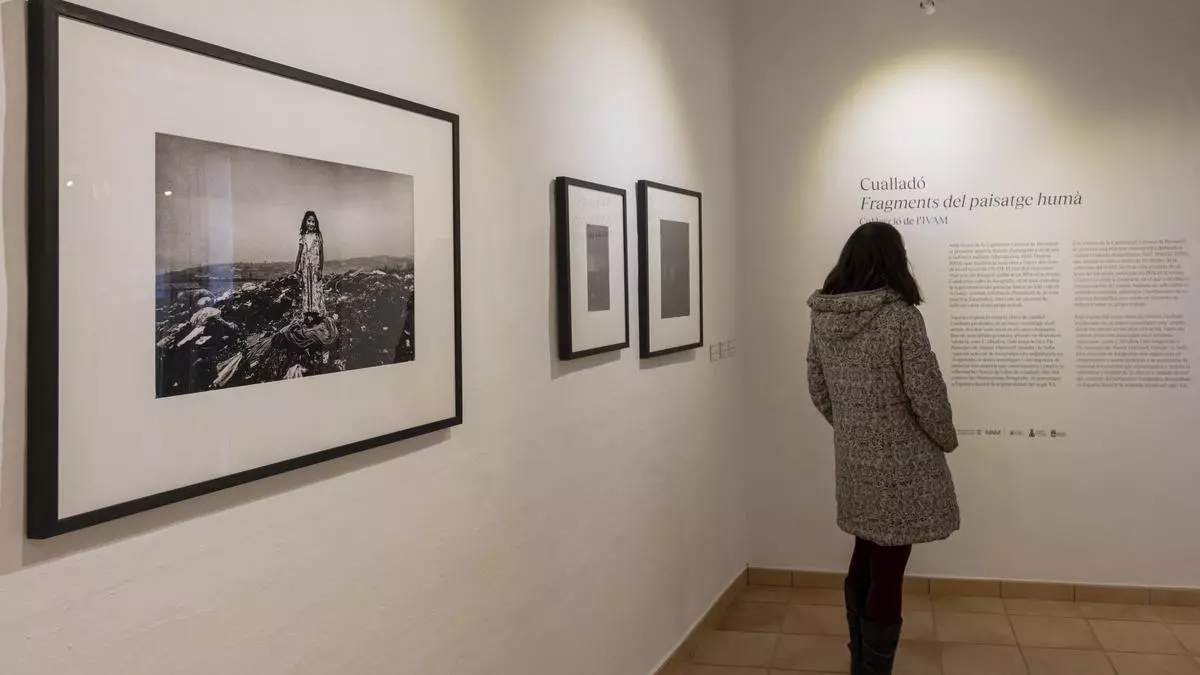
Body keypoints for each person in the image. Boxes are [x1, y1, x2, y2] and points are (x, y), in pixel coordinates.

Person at [806, 221, 959, 675]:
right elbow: (926, 392)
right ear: (895, 260)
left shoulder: (823, 316)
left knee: (865, 554)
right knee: (889, 569)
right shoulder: (901, 317)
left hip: (855, 462)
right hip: (902, 466)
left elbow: (818, 386)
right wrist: (946, 437)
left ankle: (861, 660)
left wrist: (853, 428)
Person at [294, 210, 326, 318]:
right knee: (306, 290)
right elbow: (299, 254)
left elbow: (321, 254)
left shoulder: (318, 237)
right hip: (305, 270)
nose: (311, 224)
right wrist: (296, 271)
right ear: (305, 222)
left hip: (315, 270)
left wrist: (320, 270)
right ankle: (307, 314)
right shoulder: (303, 238)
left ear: (316, 223)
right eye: (309, 221)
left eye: (313, 221)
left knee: (316, 290)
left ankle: (317, 314)